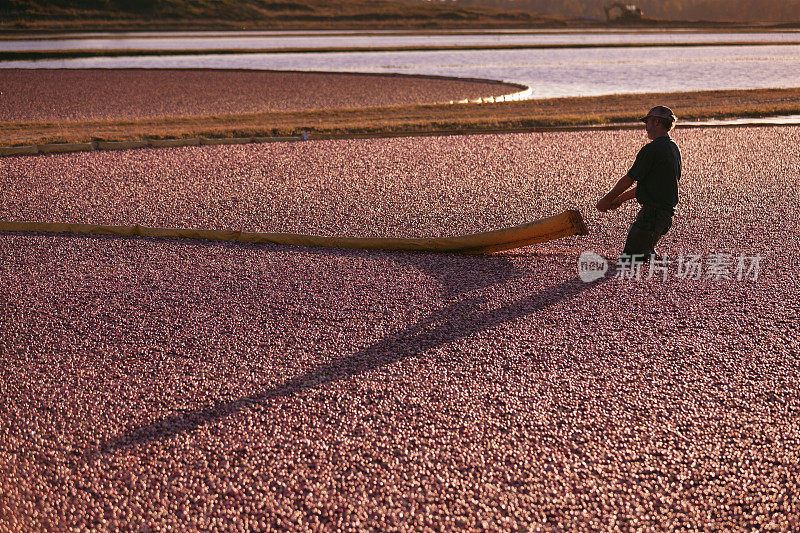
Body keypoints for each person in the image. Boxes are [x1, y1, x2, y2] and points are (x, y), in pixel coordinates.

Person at [596, 105, 681, 261]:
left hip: (652, 216)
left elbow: (629, 180)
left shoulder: (652, 149)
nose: (646, 127)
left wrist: (606, 200)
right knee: (643, 255)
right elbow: (648, 186)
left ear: (656, 122)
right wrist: (618, 200)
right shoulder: (673, 148)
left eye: (647, 122)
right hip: (665, 217)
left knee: (629, 261)